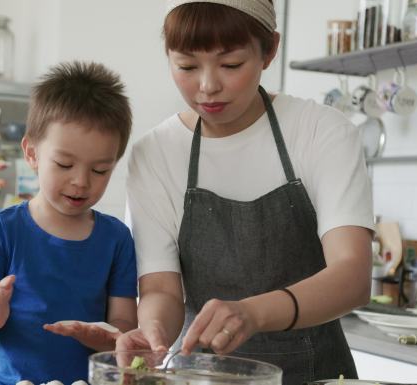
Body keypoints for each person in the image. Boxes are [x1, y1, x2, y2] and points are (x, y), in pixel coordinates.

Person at [116, 1, 374, 384]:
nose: (207, 86)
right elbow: (161, 290)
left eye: (231, 64)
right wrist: (152, 331)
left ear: (269, 50)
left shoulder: (322, 131)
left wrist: (253, 313)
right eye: (186, 66)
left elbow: (352, 274)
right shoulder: (154, 154)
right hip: (199, 374)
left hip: (315, 372)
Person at [0, 61, 138, 385]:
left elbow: (123, 328)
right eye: (64, 164)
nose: (81, 181)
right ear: (31, 153)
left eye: (100, 170)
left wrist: (98, 336)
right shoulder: (2, 230)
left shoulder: (117, 239)